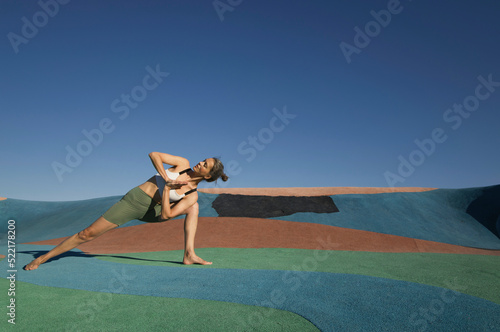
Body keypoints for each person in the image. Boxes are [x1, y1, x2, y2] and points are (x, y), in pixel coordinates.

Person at [24, 152, 228, 270]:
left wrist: (166, 190)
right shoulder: (182, 164)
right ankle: (43, 258)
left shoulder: (192, 194)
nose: (200, 162)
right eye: (204, 159)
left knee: (194, 206)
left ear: (208, 176)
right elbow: (154, 154)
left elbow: (166, 215)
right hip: (135, 200)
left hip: (155, 211)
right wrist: (166, 179)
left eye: (205, 165)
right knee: (87, 234)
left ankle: (189, 254)